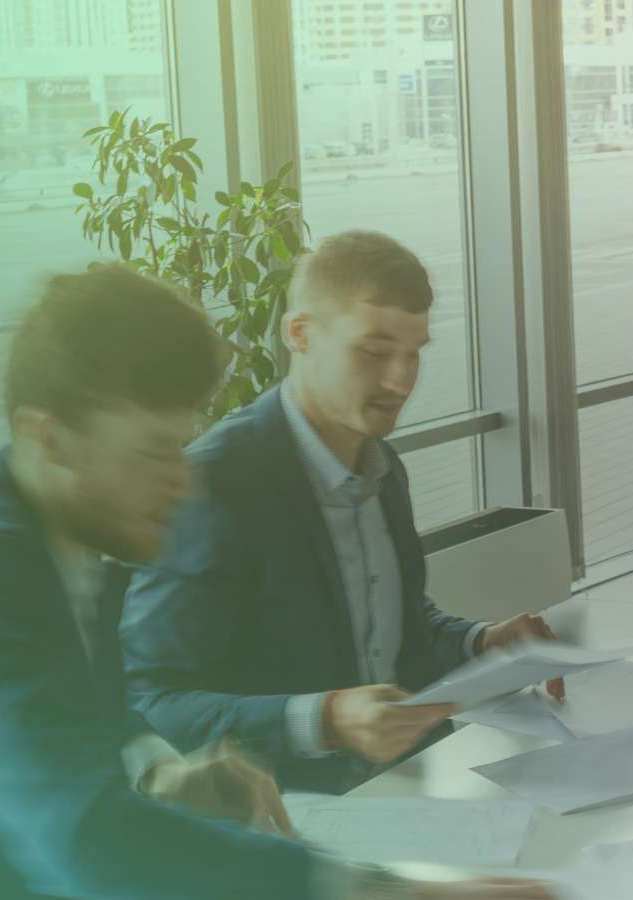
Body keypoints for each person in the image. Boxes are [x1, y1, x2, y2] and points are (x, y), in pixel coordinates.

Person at [0, 265, 547, 899]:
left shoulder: (59, 526)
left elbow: (77, 723)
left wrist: (157, 768)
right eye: (151, 453)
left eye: (183, 445)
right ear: (47, 436)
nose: (184, 482)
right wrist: (376, 896)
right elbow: (84, 843)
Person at [122, 230, 561, 795]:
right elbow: (155, 701)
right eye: (374, 352)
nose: (401, 381)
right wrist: (324, 719)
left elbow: (385, 628)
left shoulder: (383, 467)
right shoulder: (214, 484)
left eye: (413, 354)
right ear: (299, 335)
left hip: (411, 786)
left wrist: (481, 641)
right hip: (291, 815)